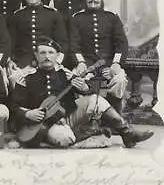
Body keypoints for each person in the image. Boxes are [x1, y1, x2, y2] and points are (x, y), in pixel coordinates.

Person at [10, 36, 153, 148]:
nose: (47, 56)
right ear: (36, 55)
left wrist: (84, 88)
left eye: (50, 52)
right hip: (43, 124)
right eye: (42, 53)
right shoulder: (25, 77)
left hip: (67, 116)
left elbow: (87, 90)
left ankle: (127, 133)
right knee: (65, 139)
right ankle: (92, 132)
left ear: (57, 55)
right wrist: (28, 113)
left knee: (97, 100)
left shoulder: (64, 73)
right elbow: (13, 105)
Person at [69, 0, 129, 113]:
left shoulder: (111, 17)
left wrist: (116, 64)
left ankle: (114, 114)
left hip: (108, 63)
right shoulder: (77, 18)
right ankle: (86, 118)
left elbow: (121, 43)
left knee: (119, 79)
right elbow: (74, 44)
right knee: (76, 78)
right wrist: (80, 63)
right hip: (87, 63)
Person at [8, 0, 68, 72]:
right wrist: (10, 60)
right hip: (22, 61)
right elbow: (11, 42)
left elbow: (62, 42)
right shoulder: (18, 15)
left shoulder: (53, 14)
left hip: (48, 60)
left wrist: (57, 61)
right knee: (14, 79)